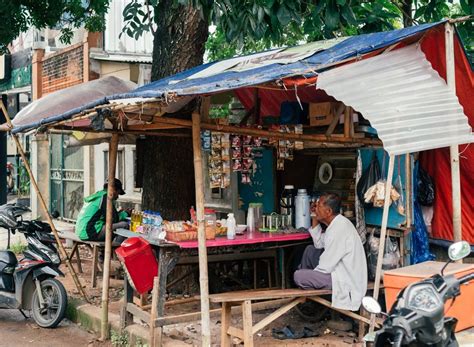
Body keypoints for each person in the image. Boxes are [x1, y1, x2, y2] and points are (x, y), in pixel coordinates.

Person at [293, 193, 367, 311]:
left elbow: (325, 266)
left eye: (318, 206)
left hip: (345, 280)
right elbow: (318, 243)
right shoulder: (336, 224)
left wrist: (309, 276)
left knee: (298, 276)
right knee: (310, 250)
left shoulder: (339, 228)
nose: (315, 208)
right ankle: (309, 298)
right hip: (336, 269)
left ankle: (313, 300)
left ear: (328, 211)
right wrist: (314, 216)